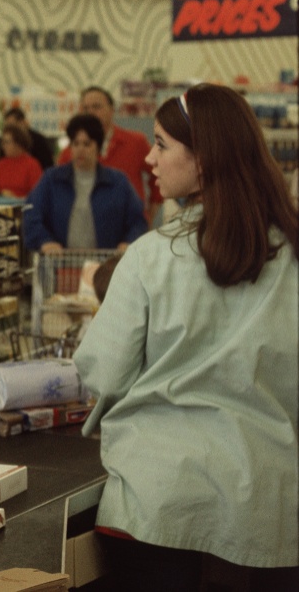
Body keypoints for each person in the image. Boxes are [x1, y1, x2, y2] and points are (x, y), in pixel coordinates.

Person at [75, 83, 298, 590]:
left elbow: (104, 372)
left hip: (160, 504)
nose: (149, 158)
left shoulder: (150, 257)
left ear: (204, 159)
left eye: (160, 144)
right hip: (272, 508)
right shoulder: (291, 253)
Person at [23, 114, 147, 253]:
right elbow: (30, 213)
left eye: (87, 144)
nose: (80, 149)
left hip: (106, 262)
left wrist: (128, 242)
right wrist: (44, 241)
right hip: (61, 262)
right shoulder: (51, 179)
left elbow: (138, 221)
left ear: (98, 147)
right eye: (75, 143)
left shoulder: (118, 182)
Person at [58, 86, 161, 220]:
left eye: (96, 107)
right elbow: (59, 190)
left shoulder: (136, 142)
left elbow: (159, 173)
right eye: (86, 108)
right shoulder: (70, 152)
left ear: (112, 110)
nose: (91, 113)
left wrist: (149, 217)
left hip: (129, 224)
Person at [0, 123, 42, 202]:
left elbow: (38, 195)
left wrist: (15, 198)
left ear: (18, 143)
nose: (3, 146)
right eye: (3, 142)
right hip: (0, 206)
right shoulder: (1, 164)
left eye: (7, 142)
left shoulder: (32, 165)